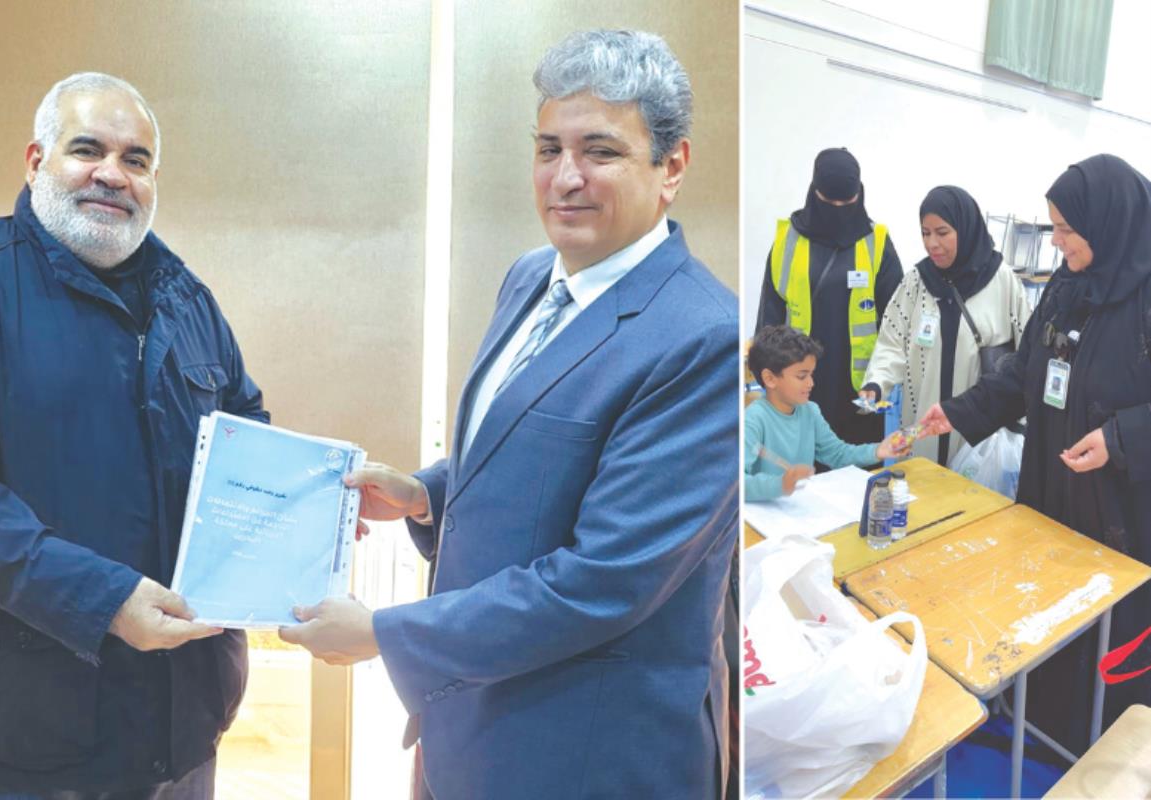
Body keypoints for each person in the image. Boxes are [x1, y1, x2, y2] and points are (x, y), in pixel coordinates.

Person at [280, 30, 738, 799]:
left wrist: (383, 634)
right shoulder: (530, 279)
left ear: (672, 166)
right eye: (548, 149)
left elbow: (602, 581)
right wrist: (427, 493)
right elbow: (532, 451)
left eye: (599, 151)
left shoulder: (702, 338)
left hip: (585, 755)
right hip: (470, 728)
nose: (565, 177)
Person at [0, 73, 267, 797]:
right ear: (36, 161)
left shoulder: (189, 300)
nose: (112, 174)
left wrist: (304, 512)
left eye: (136, 159)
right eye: (87, 149)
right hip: (26, 738)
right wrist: (102, 600)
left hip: (184, 726)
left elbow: (247, 434)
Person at [919, 154, 1151, 753]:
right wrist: (961, 410)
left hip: (1120, 512)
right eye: (1054, 227)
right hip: (1053, 490)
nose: (1056, 242)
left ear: (1107, 224)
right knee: (1045, 611)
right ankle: (1042, 719)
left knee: (1106, 628)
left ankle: (1099, 744)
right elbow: (1026, 370)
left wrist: (1120, 438)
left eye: (1068, 230)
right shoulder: (1067, 286)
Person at [859, 186, 1031, 465]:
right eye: (925, 233)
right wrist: (877, 382)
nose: (932, 244)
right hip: (925, 424)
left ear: (965, 229)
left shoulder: (1002, 280)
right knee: (924, 486)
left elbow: (1029, 349)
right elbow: (892, 341)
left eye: (942, 232)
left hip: (980, 435)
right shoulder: (917, 281)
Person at [755, 148, 903, 451]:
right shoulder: (787, 241)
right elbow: (768, 324)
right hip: (798, 393)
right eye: (829, 203)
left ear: (859, 194)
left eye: (846, 203)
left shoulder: (877, 243)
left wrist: (881, 381)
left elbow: (897, 326)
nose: (838, 211)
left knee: (857, 472)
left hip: (859, 398)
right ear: (814, 193)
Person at [744, 326, 910, 502]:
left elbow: (838, 454)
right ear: (770, 379)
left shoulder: (810, 411)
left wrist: (878, 450)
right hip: (762, 513)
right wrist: (780, 485)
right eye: (801, 376)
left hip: (798, 507)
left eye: (811, 374)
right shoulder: (753, 420)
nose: (811, 383)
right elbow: (739, 483)